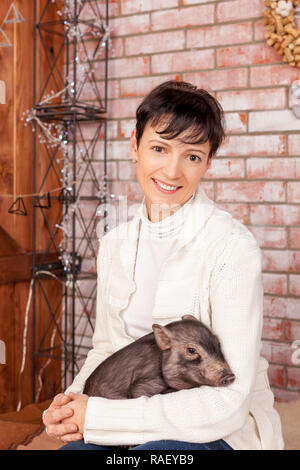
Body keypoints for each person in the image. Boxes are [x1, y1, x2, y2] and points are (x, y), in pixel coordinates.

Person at [42, 80, 284, 450]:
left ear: (206, 163)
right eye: (159, 148)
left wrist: (101, 417)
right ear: (134, 146)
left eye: (191, 156)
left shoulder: (233, 248)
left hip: (212, 431)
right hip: (125, 417)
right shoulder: (115, 244)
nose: (172, 172)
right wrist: (71, 404)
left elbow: (228, 398)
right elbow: (108, 350)